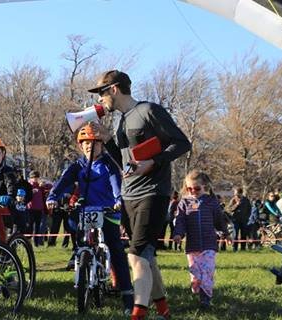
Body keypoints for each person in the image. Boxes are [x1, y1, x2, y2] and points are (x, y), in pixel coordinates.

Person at [93, 70, 191, 320]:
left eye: (102, 93)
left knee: (135, 255)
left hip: (153, 193)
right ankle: (164, 311)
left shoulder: (149, 110)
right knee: (147, 256)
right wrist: (108, 141)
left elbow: (181, 143)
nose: (101, 100)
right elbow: (123, 161)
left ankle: (138, 313)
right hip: (129, 195)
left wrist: (154, 162)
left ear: (114, 89)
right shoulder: (121, 121)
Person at [46, 122, 135, 313]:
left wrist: (118, 199)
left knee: (117, 251)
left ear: (101, 145)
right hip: (86, 212)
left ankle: (128, 297)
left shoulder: (109, 164)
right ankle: (82, 259)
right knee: (75, 229)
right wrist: (52, 196)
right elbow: (62, 182)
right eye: (85, 142)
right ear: (80, 145)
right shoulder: (77, 166)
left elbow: (115, 183)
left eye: (94, 142)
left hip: (108, 211)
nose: (89, 146)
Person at [171, 170, 225, 308]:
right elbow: (180, 220)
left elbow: (219, 220)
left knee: (207, 272)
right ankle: (196, 286)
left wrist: (225, 233)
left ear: (204, 186)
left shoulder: (211, 202)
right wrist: (178, 234)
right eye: (189, 188)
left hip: (209, 244)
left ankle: (205, 299)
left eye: (196, 188)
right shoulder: (184, 202)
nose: (193, 191)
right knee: (196, 275)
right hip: (192, 246)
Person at [27, 170, 51, 246]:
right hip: (31, 209)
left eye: (37, 177)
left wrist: (44, 184)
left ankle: (36, 243)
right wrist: (31, 191)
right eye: (34, 178)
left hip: (39, 209)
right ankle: (28, 242)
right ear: (30, 178)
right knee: (30, 226)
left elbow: (50, 186)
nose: (35, 179)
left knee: (37, 227)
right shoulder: (28, 185)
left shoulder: (40, 186)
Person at [225, 187, 252, 251]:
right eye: (235, 194)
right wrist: (236, 205)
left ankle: (243, 248)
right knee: (235, 235)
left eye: (237, 194)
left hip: (244, 220)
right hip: (235, 220)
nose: (236, 195)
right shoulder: (233, 200)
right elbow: (229, 209)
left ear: (241, 193)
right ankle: (235, 248)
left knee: (244, 234)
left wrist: (247, 217)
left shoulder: (246, 200)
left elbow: (249, 209)